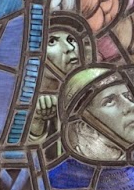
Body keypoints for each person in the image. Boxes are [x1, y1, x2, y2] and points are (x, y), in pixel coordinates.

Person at [24, 10, 95, 151]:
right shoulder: (19, 100)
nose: (70, 48)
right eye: (52, 41)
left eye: (71, 39)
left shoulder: (92, 94)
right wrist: (36, 123)